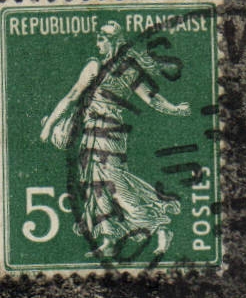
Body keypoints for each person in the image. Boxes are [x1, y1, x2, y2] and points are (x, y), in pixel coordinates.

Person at [38, 21, 191, 259]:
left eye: (101, 40)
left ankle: (160, 227)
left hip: (110, 133)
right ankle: (109, 239)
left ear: (112, 42)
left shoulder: (127, 70)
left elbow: (152, 98)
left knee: (115, 185)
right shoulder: (95, 66)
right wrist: (49, 126)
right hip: (91, 132)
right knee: (94, 185)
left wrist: (176, 109)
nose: (97, 44)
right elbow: (72, 97)